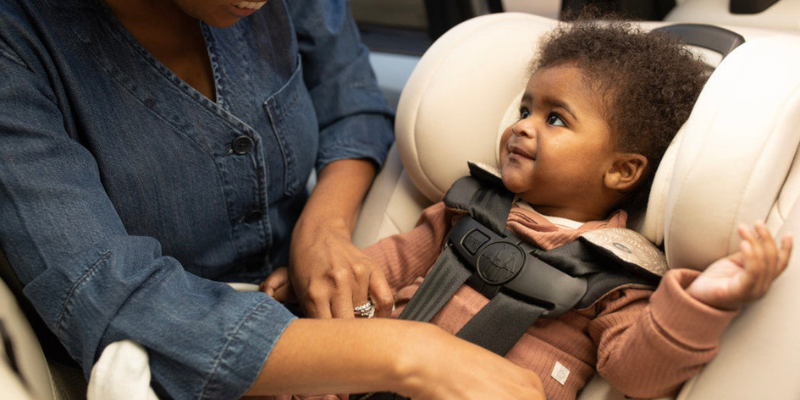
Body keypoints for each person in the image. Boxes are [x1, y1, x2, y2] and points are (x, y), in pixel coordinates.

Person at [0, 0, 547, 399]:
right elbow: (107, 294)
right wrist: (409, 354)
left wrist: (324, 228)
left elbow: (352, 103)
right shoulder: (19, 40)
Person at [261, 21, 794, 400]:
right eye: (524, 109)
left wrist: (700, 303)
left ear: (622, 171)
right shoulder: (465, 209)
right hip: (364, 376)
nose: (521, 125)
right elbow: (377, 269)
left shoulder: (618, 277)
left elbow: (638, 374)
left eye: (555, 119)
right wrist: (319, 289)